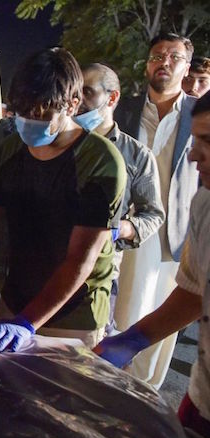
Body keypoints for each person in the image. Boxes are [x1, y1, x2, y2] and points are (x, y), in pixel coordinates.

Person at [0, 47, 126, 351]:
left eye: (41, 113)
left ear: (72, 105)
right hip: (14, 299)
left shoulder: (100, 161)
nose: (28, 121)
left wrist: (27, 323)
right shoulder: (11, 149)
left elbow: (81, 258)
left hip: (73, 315)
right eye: (21, 111)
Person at [94, 90, 210, 438]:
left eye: (207, 141)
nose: (193, 155)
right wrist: (131, 340)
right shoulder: (204, 203)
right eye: (194, 140)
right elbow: (194, 292)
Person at [113, 33, 199, 388]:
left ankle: (143, 396)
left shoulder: (200, 113)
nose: (164, 62)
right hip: (125, 230)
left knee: (161, 325)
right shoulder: (124, 109)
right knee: (118, 315)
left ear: (187, 68)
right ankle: (107, 388)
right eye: (157, 55)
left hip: (176, 237)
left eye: (174, 57)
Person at [74, 63, 165, 333]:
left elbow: (153, 214)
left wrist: (120, 229)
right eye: (75, 92)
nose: (78, 100)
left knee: (87, 343)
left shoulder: (136, 155)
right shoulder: (59, 143)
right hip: (49, 261)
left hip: (99, 273)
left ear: (112, 98)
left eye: (88, 92)